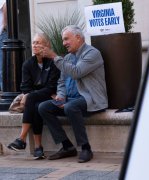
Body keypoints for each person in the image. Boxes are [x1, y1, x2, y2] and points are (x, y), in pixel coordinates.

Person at [38, 25, 108, 163]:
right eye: (63, 40)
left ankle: (86, 148)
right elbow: (62, 81)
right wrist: (61, 95)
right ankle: (67, 146)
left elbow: (76, 72)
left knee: (71, 107)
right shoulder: (68, 58)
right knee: (43, 107)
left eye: (66, 39)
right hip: (70, 99)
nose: (64, 43)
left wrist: (54, 57)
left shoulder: (92, 53)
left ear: (78, 37)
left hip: (90, 99)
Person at [7, 33, 60, 159]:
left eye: (38, 42)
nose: (35, 45)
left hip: (50, 95)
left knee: (32, 98)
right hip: (36, 98)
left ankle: (22, 139)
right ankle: (38, 147)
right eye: (34, 42)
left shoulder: (53, 62)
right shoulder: (28, 64)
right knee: (36, 105)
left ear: (47, 45)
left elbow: (52, 86)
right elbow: (25, 86)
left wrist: (30, 94)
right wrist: (29, 94)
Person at [0, 1, 7, 90]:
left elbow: (6, 5)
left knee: (2, 68)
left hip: (1, 35)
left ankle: (4, 92)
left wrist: (4, 26)